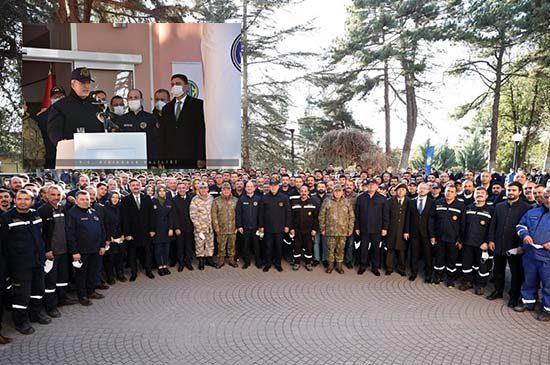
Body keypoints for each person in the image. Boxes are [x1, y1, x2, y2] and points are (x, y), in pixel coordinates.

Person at [1, 190, 50, 334]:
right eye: (20, 199)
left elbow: (41, 236)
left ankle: (36, 314)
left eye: (26, 199)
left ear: (32, 201)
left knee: (38, 290)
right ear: (14, 200)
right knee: (21, 296)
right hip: (19, 266)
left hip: (37, 262)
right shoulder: (6, 218)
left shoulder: (36, 214)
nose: (23, 202)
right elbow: (3, 246)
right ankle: (21, 322)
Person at [486, 181, 532, 307]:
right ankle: (498, 291)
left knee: (515, 273)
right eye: (509, 190)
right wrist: (491, 240)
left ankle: (513, 296)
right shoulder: (499, 206)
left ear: (519, 192)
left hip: (515, 247)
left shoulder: (526, 207)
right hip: (498, 244)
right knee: (498, 270)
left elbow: (527, 228)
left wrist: (521, 246)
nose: (510, 192)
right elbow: (493, 224)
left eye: (513, 190)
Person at [38, 185, 77, 318]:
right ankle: (51, 306)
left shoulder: (63, 208)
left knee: (62, 278)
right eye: (53, 194)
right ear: (47, 196)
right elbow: (41, 234)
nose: (55, 197)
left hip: (64, 250)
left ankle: (62, 299)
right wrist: (47, 249)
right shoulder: (43, 211)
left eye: (58, 194)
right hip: (51, 253)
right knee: (50, 280)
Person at [513, 187, 550, 321]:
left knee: (548, 285)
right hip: (530, 255)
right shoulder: (532, 212)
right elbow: (520, 226)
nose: (548, 200)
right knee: (529, 281)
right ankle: (528, 302)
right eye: (546, 197)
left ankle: (547, 309)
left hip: (547, 258)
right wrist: (525, 235)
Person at [66, 190, 107, 306]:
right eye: (82, 199)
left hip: (95, 249)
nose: (85, 201)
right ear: (76, 200)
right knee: (81, 274)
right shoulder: (72, 214)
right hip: (81, 251)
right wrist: (74, 251)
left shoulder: (93, 212)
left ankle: (91, 291)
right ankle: (82, 296)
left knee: (92, 272)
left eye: (87, 199)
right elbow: (70, 234)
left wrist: (102, 245)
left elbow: (102, 230)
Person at [47, 67, 105, 147]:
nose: (86, 86)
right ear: (73, 84)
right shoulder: (60, 106)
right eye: (82, 83)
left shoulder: (96, 106)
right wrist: (63, 145)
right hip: (72, 154)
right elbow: (54, 132)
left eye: (88, 83)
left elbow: (103, 131)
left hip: (94, 153)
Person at [158, 74, 206, 168]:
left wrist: (201, 157)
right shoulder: (166, 108)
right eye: (172, 84)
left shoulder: (198, 105)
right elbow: (163, 135)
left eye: (178, 84)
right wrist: (161, 158)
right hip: (171, 158)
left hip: (192, 157)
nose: (174, 86)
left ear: (186, 86)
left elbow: (201, 132)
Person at [458, 187, 493, 295]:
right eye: (477, 193)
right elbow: (462, 225)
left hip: (481, 245)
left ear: (486, 196)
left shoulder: (491, 210)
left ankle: (480, 285)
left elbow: (492, 228)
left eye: (482, 193)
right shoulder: (468, 208)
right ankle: (467, 281)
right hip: (467, 242)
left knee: (482, 266)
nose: (480, 194)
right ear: (474, 195)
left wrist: (487, 242)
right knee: (467, 264)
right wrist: (460, 240)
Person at [121, 179, 156, 281]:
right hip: (132, 233)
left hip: (146, 231)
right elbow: (124, 218)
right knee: (132, 254)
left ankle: (148, 271)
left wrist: (152, 229)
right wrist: (127, 233)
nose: (135, 187)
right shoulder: (125, 199)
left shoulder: (147, 198)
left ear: (141, 186)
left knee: (147, 252)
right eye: (133, 185)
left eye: (137, 185)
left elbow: (152, 215)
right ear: (130, 187)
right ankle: (134, 273)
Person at [431, 184, 465, 287]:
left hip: (453, 239)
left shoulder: (460, 206)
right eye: (447, 191)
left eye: (451, 191)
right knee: (439, 258)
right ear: (444, 192)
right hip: (439, 238)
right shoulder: (437, 203)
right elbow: (431, 220)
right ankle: (437, 276)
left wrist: (460, 239)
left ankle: (450, 279)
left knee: (452, 260)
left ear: (455, 193)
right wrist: (432, 235)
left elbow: (463, 224)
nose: (449, 193)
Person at [355, 179, 389, 276]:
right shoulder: (360, 198)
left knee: (375, 249)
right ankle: (362, 266)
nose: (371, 187)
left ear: (377, 186)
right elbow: (357, 214)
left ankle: (375, 267)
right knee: (363, 248)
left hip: (377, 229)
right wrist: (357, 227)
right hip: (363, 228)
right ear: (366, 186)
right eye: (369, 185)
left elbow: (385, 215)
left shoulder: (382, 199)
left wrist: (385, 228)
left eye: (373, 185)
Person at [319, 184, 355, 274]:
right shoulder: (327, 201)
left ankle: (339, 266)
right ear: (333, 191)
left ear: (342, 192)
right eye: (336, 191)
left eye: (339, 191)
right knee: (330, 249)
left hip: (343, 231)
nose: (337, 193)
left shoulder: (347, 202)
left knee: (340, 249)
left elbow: (352, 217)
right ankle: (330, 265)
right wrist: (322, 228)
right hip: (330, 230)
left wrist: (350, 229)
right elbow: (321, 216)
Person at [119, 89, 157, 166]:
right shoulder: (121, 119)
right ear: (127, 100)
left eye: (136, 97)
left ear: (141, 100)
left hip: (147, 158)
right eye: (130, 98)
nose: (133, 100)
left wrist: (154, 163)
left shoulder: (151, 118)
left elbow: (155, 141)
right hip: (127, 159)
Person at [259, 179, 291, 272]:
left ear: (278, 186)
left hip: (280, 228)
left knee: (278, 247)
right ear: (269, 186)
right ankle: (268, 264)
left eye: (275, 185)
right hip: (268, 227)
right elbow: (261, 213)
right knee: (268, 247)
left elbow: (288, 213)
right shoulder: (264, 197)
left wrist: (287, 226)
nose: (273, 187)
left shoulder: (284, 197)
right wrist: (261, 226)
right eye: (272, 185)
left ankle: (278, 264)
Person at [289, 185, 319, 271]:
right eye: (302, 191)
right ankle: (297, 263)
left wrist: (314, 229)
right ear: (299, 192)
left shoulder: (313, 203)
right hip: (297, 230)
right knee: (296, 247)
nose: (303, 193)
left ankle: (308, 263)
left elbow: (316, 218)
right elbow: (291, 217)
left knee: (308, 247)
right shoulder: (295, 203)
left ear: (308, 192)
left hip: (308, 230)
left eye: (305, 191)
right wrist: (291, 228)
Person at [385, 183, 410, 276]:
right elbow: (386, 216)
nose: (400, 191)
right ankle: (389, 268)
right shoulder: (390, 201)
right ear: (395, 191)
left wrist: (407, 231)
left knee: (401, 250)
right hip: (391, 228)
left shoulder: (409, 202)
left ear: (406, 192)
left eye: (403, 190)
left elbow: (408, 217)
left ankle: (401, 268)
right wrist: (385, 228)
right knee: (390, 249)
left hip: (403, 230)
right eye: (399, 189)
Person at [236, 181, 262, 269]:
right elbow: (238, 214)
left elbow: (261, 214)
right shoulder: (241, 199)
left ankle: (258, 262)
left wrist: (260, 226)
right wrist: (239, 226)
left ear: (254, 188)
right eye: (248, 186)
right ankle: (247, 262)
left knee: (257, 246)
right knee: (245, 246)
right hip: (245, 228)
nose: (249, 188)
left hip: (256, 228)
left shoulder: (258, 199)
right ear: (245, 188)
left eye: (251, 186)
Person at [212, 183, 239, 268]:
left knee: (232, 245)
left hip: (233, 227)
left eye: (228, 189)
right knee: (221, 245)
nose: (226, 191)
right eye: (224, 189)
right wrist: (216, 227)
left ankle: (231, 260)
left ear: (231, 190)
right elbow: (214, 215)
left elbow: (239, 214)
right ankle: (221, 260)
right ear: (222, 190)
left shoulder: (236, 200)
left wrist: (237, 226)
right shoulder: (216, 200)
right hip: (221, 228)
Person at [189, 182, 214, 270]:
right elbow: (193, 215)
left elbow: (214, 212)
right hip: (200, 227)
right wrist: (198, 228)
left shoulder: (211, 198)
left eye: (205, 187)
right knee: (199, 244)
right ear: (198, 189)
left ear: (208, 189)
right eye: (201, 188)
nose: (203, 189)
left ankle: (209, 259)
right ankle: (201, 261)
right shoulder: (195, 199)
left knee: (210, 244)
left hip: (210, 227)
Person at [103, 191, 125, 284]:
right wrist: (108, 237)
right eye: (113, 197)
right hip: (110, 237)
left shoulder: (121, 208)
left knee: (120, 257)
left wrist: (124, 234)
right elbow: (104, 224)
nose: (115, 199)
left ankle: (120, 274)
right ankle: (110, 276)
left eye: (117, 197)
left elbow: (124, 222)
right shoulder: (105, 209)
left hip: (120, 237)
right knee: (110, 258)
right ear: (109, 198)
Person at [151, 185, 174, 276]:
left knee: (166, 249)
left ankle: (165, 265)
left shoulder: (169, 201)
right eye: (159, 191)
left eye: (163, 191)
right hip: (156, 229)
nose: (161, 192)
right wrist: (152, 230)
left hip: (166, 228)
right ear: (157, 192)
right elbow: (151, 217)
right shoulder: (153, 201)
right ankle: (159, 266)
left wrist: (171, 228)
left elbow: (171, 216)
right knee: (158, 249)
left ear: (165, 192)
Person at [172, 181, 195, 271]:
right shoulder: (174, 200)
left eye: (183, 188)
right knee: (180, 246)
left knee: (189, 246)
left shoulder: (191, 199)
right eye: (180, 188)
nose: (181, 189)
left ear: (186, 189)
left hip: (189, 227)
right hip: (179, 228)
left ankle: (188, 262)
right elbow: (174, 215)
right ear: (177, 189)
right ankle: (181, 263)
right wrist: (176, 228)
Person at [23, 103, 46, 169]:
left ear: (26, 107)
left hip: (32, 164)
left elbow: (40, 145)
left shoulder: (32, 123)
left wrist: (39, 163)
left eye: (22, 105)